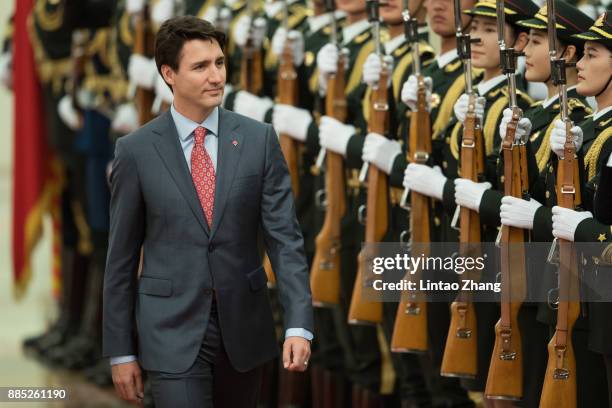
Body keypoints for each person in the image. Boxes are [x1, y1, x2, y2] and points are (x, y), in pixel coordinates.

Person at [102, 16, 314, 407]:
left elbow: (285, 240)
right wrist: (121, 351)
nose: (215, 75)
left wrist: (299, 324)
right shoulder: (136, 151)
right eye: (200, 66)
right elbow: (120, 259)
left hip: (244, 332)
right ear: (169, 73)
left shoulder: (258, 139)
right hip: (170, 333)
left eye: (219, 63)